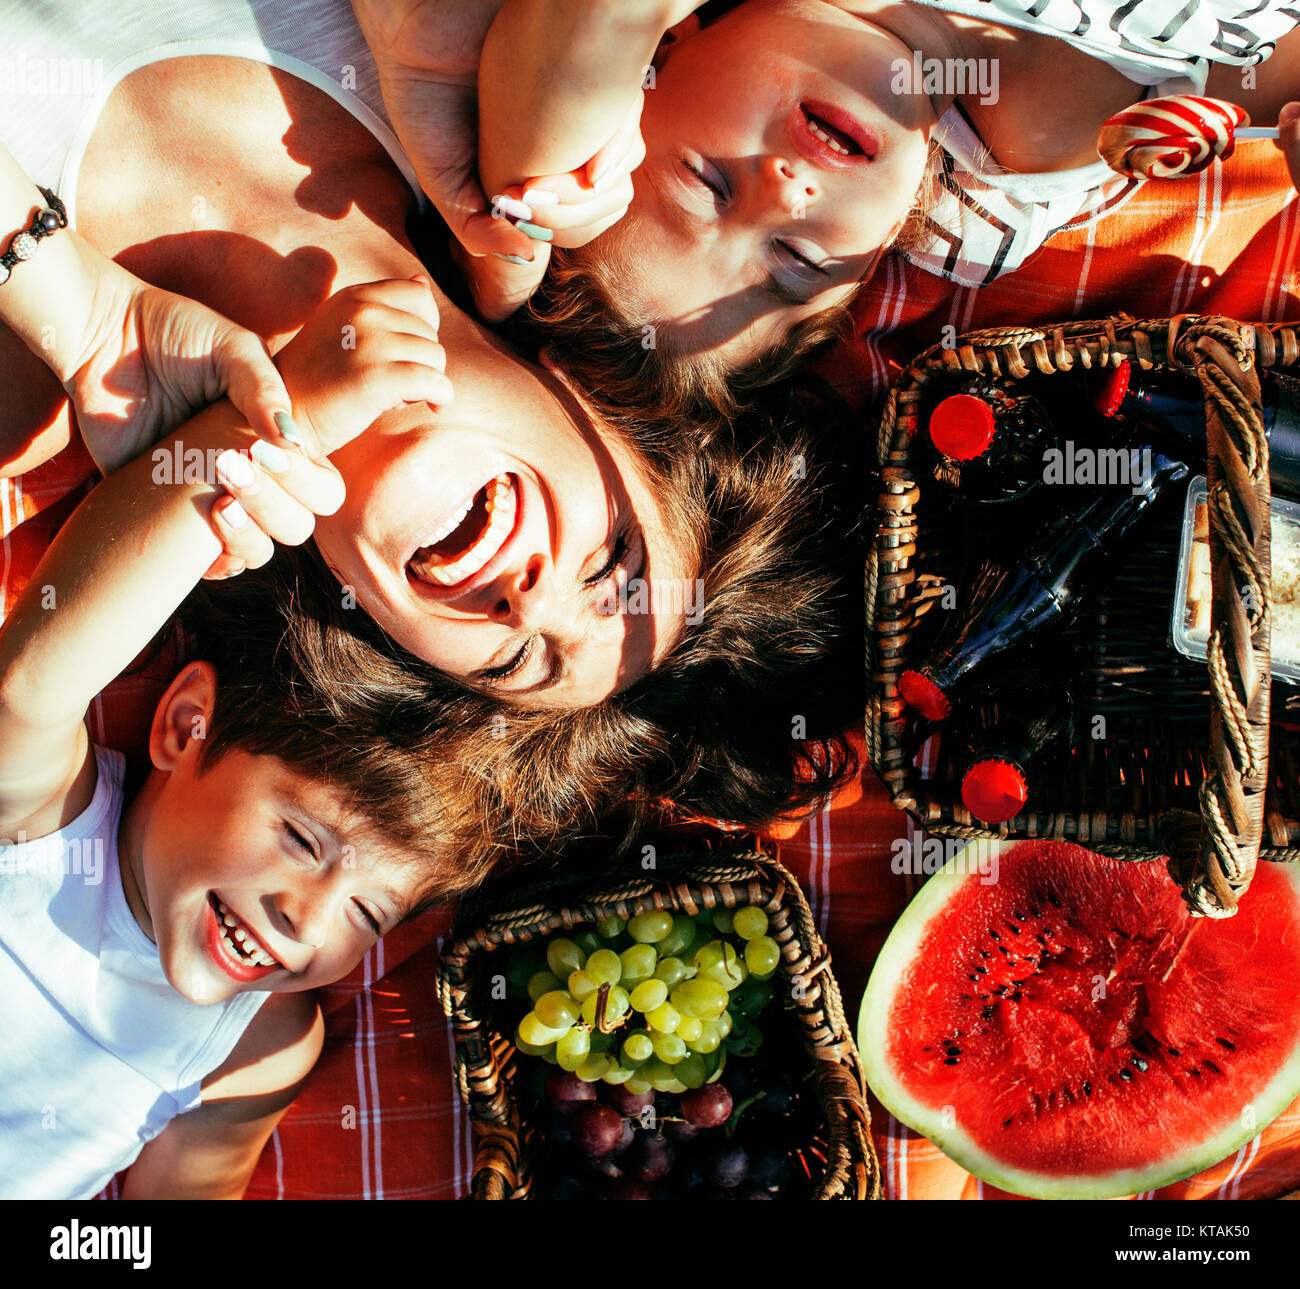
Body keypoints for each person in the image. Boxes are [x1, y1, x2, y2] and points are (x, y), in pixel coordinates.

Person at [0, 274, 567, 1201]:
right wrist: (282, 423)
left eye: (368, 915)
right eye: (304, 840)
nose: (308, 919)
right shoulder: (44, 819)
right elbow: (34, 679)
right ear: (187, 725)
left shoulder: (258, 1048)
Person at [361, 0, 1300, 427]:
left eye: (706, 183)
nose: (786, 194)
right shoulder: (997, 184)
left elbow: (580, 27)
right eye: (798, 265)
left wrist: (525, 205)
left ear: (666, 49)